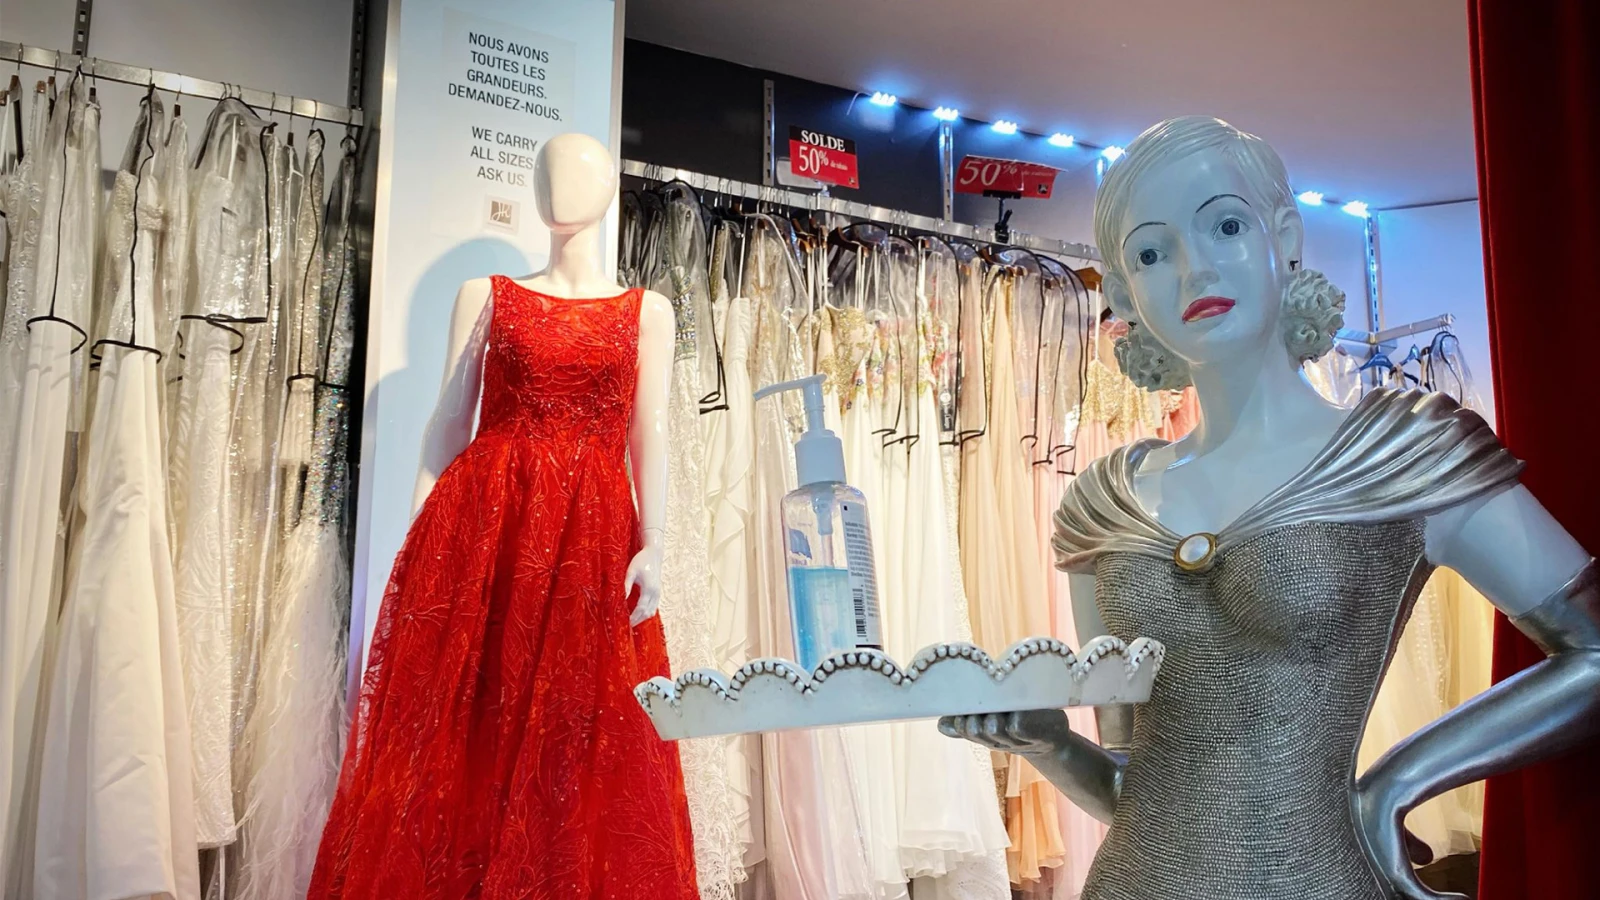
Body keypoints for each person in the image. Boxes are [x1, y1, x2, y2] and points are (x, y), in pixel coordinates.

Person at [940, 116, 1599, 900]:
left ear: (1283, 237)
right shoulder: (1102, 509)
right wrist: (1049, 745)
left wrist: (1399, 780)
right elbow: (1133, 786)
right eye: (1151, 253)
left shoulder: (1403, 455)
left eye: (1224, 225)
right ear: (1121, 294)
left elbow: (1592, 651)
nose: (1193, 269)